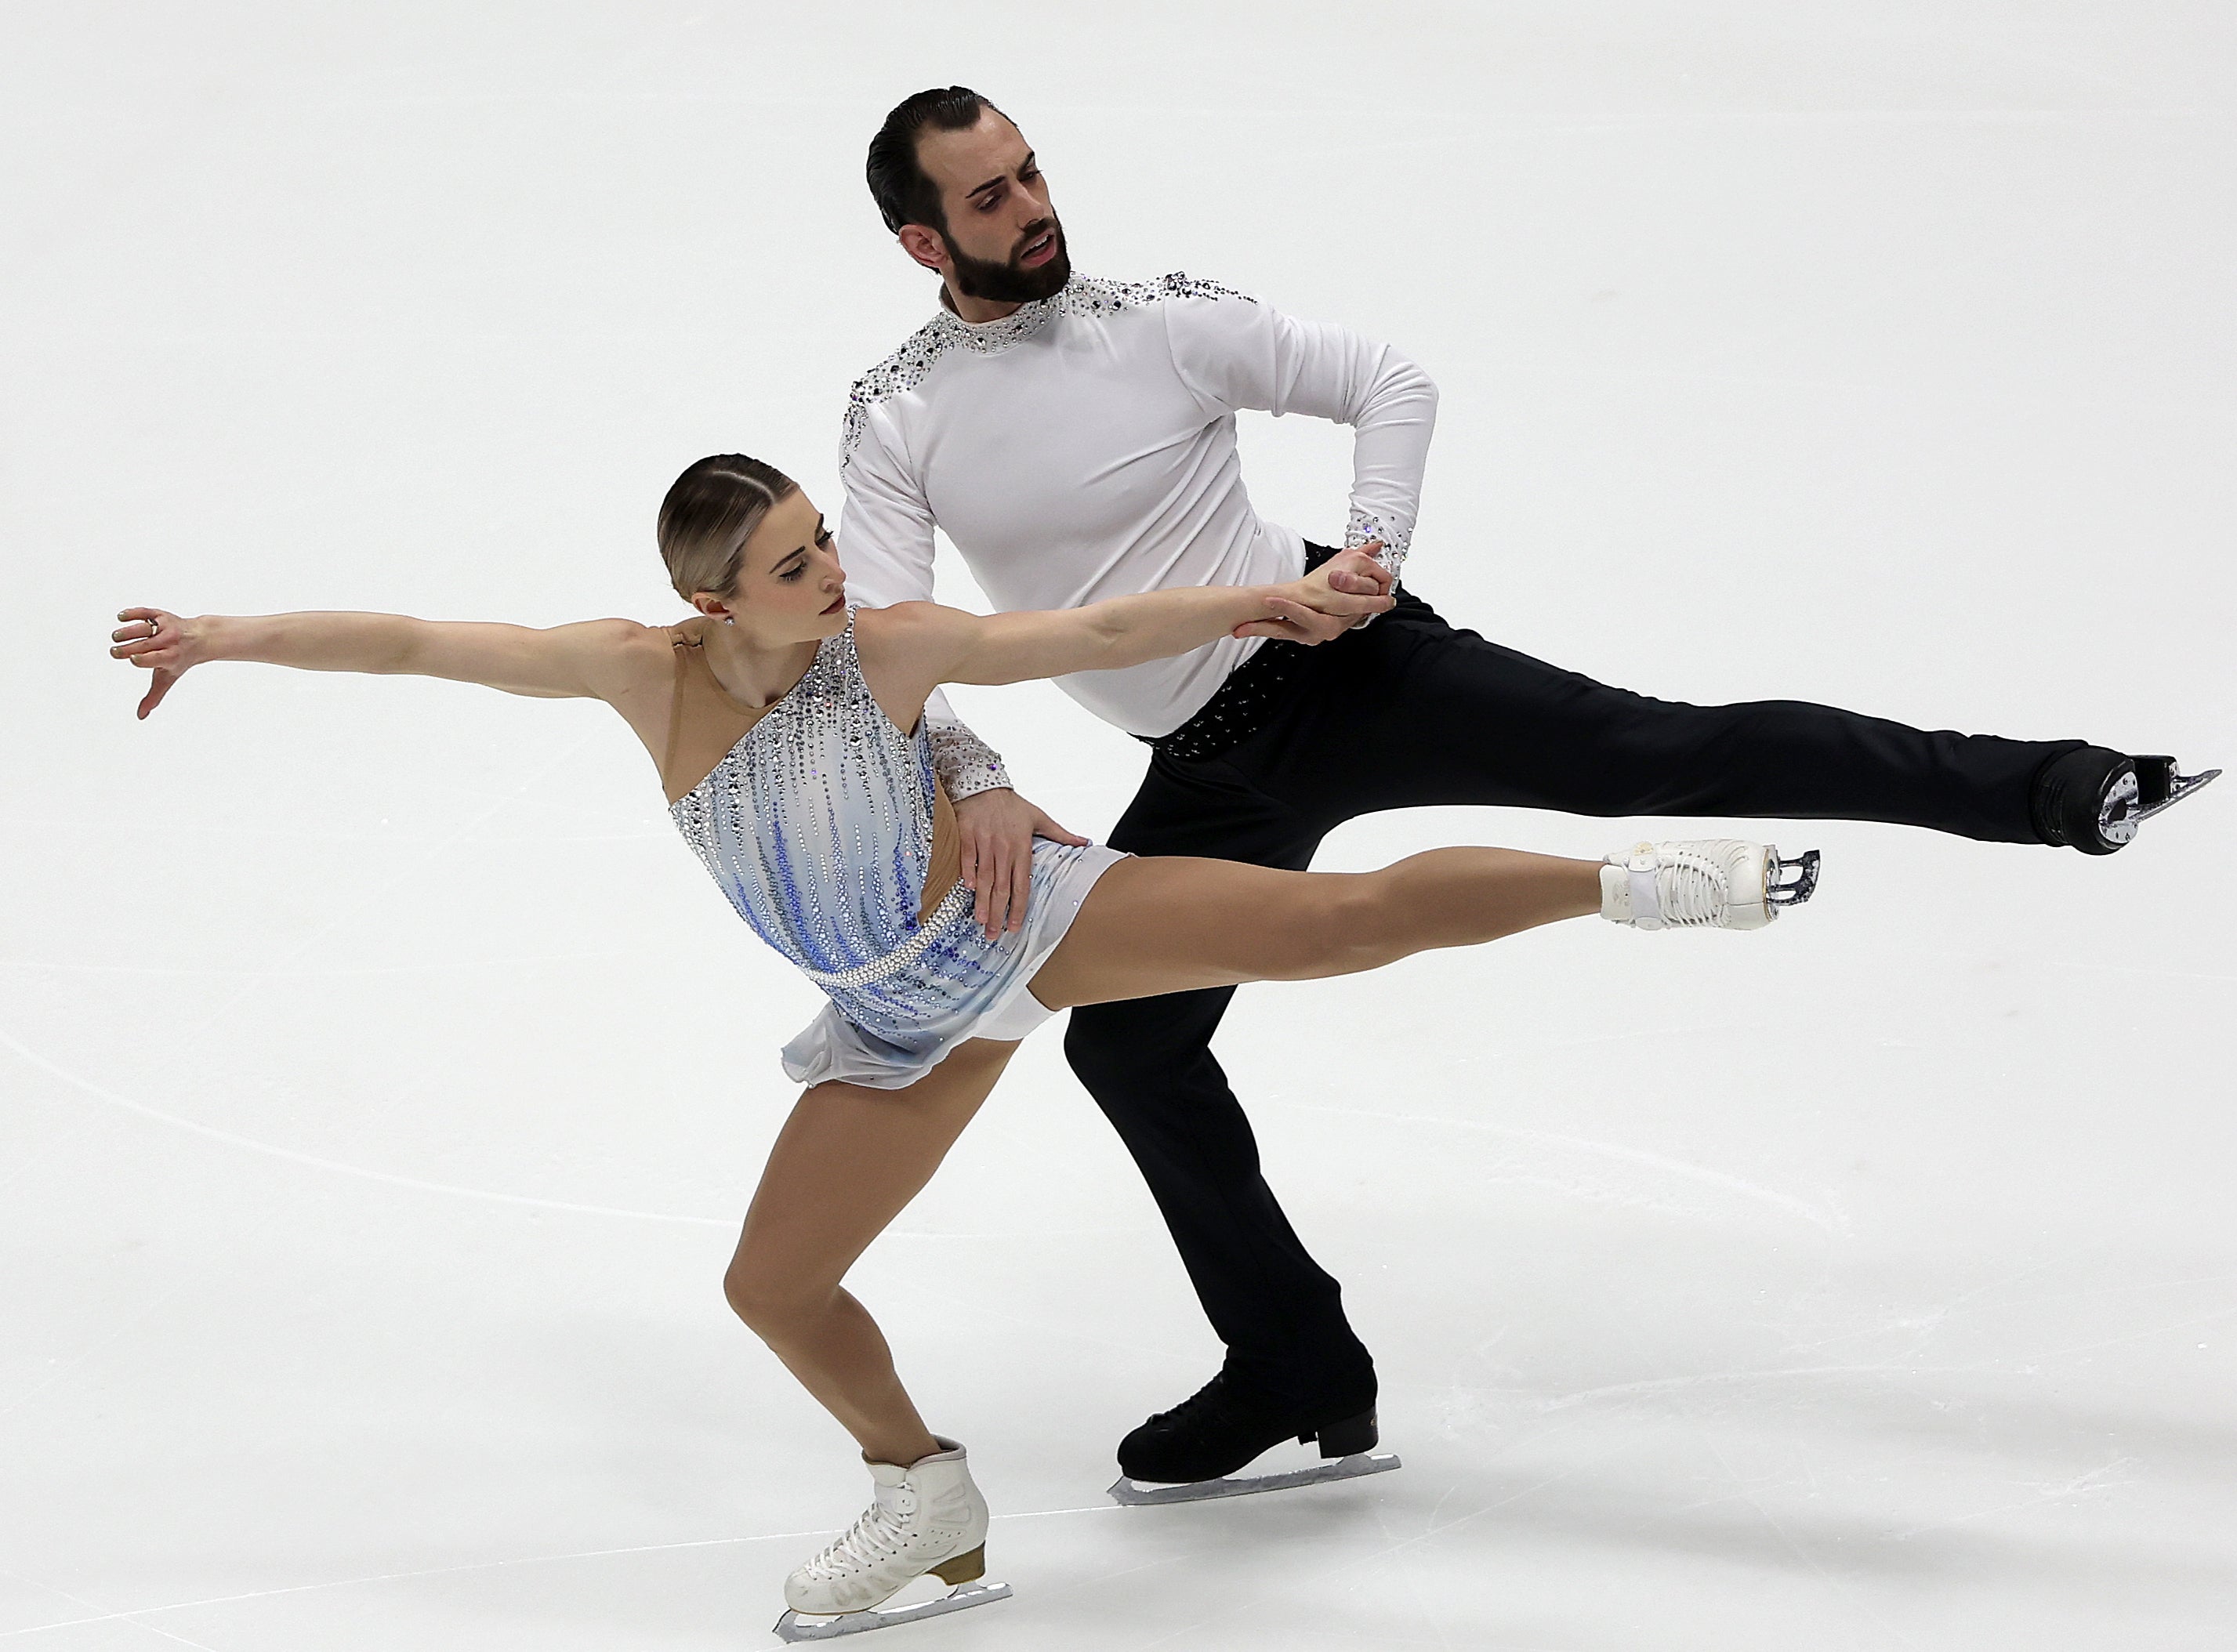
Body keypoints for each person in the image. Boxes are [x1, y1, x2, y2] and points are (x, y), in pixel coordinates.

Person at [112, 455, 1815, 1628]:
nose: (831, 573)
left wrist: (1259, 604)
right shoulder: (639, 673)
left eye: (823, 539)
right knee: (772, 1284)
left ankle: (1636, 877)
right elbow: (418, 644)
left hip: (1027, 922)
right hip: (896, 1019)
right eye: (792, 562)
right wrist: (221, 635)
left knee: (1323, 923)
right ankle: (920, 1490)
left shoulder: (884, 649)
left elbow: (1061, 638)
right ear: (707, 597)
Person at [833, 85, 2219, 1491]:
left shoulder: (1156, 322)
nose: (1034, 206)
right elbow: (893, 641)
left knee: (1658, 756)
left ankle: (2059, 790)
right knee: (1130, 1047)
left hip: (1352, 674)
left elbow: (1389, 382)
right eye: (992, 197)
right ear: (920, 241)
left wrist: (1366, 555)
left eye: (1032, 171)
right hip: (1203, 770)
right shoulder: (901, 417)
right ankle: (1298, 1364)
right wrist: (975, 773)